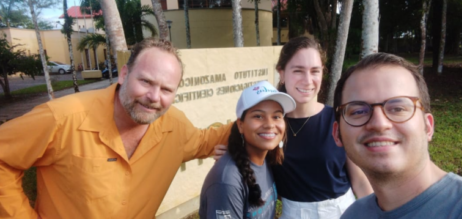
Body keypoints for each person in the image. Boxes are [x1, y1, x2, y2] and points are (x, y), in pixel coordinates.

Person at [0, 39, 231, 219]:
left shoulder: (174, 126)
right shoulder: (62, 118)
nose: (154, 97)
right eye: (146, 82)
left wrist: (259, 117)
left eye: (166, 89)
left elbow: (205, 141)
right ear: (124, 74)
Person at [214, 37, 373, 219]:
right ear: (281, 73)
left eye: (315, 71)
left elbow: (359, 180)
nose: (307, 80)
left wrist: (377, 214)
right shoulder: (270, 128)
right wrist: (233, 154)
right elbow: (253, 165)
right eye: (298, 71)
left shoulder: (338, 119)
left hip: (342, 212)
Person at [332, 53, 462, 218]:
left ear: (428, 126)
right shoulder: (354, 215)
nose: (379, 124)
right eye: (359, 111)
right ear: (337, 134)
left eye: (398, 108)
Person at [199, 80, 296, 219]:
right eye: (258, 116)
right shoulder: (227, 182)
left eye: (276, 116)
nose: (269, 124)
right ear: (240, 125)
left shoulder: (266, 159)